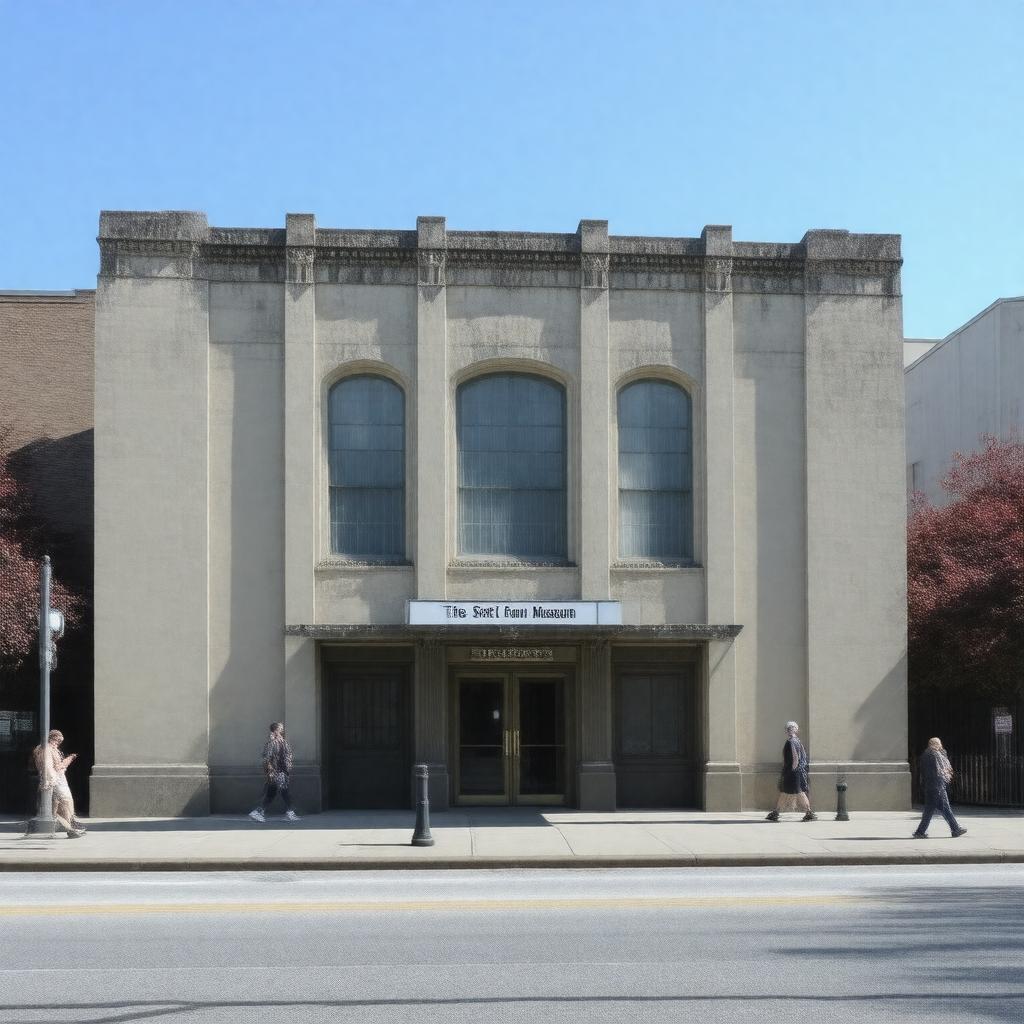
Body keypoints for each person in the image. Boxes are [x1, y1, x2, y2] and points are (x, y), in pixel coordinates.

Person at [32, 730, 85, 838]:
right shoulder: (46, 749)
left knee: (60, 807)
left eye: (59, 742)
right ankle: (69, 829)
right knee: (59, 806)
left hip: (58, 780)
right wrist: (67, 760)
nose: (58, 743)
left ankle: (70, 829)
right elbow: (50, 767)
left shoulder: (51, 749)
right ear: (52, 738)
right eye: (57, 741)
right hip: (54, 781)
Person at [913, 737, 967, 838]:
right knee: (946, 809)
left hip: (930, 787)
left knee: (928, 812)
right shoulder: (933, 755)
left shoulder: (927, 754)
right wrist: (943, 752)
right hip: (937, 787)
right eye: (939, 743)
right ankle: (956, 829)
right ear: (935, 744)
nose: (941, 745)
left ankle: (920, 832)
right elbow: (938, 771)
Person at [765, 721, 817, 822]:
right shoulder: (798, 741)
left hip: (793, 772)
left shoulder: (791, 742)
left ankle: (809, 812)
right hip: (796, 772)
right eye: (788, 728)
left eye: (792, 728)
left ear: (796, 730)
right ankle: (776, 812)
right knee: (785, 792)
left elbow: (795, 757)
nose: (790, 729)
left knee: (799, 792)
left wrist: (792, 770)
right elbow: (804, 757)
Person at [249, 722, 300, 822]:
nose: (282, 730)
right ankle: (290, 813)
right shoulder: (271, 743)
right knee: (285, 792)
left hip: (283, 771)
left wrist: (288, 764)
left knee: (271, 794)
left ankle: (258, 812)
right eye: (280, 728)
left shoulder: (283, 742)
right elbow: (266, 758)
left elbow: (288, 754)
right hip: (276, 772)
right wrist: (270, 771)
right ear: (275, 730)